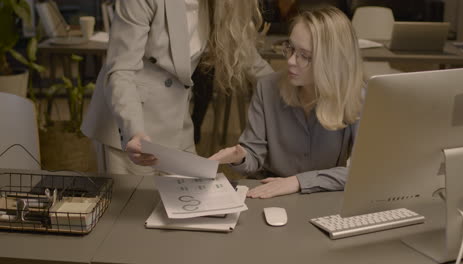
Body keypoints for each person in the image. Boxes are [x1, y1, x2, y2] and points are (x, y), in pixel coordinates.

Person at [81, 0, 273, 175]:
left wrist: (286, 85)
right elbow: (121, 71)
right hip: (131, 124)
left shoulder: (218, 4)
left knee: (191, 199)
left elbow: (245, 53)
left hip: (178, 123)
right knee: (134, 210)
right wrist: (134, 131)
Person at [209, 6, 365, 199]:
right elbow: (253, 156)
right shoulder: (267, 88)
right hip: (269, 192)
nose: (291, 61)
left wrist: (298, 181)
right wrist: (241, 157)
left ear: (331, 60)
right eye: (290, 48)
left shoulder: (357, 96)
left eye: (304, 56)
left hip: (322, 195)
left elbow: (365, 172)